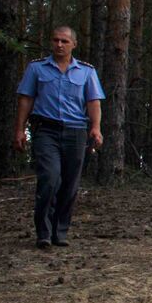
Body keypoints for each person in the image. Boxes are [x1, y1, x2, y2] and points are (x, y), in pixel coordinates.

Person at [12, 26, 105, 248]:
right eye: (55, 40)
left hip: (76, 131)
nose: (59, 45)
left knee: (70, 184)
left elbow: (94, 102)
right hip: (46, 130)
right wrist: (19, 129)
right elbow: (26, 99)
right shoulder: (37, 68)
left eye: (64, 41)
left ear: (74, 44)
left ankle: (59, 231)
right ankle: (43, 232)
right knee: (50, 178)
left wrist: (96, 128)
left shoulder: (86, 72)